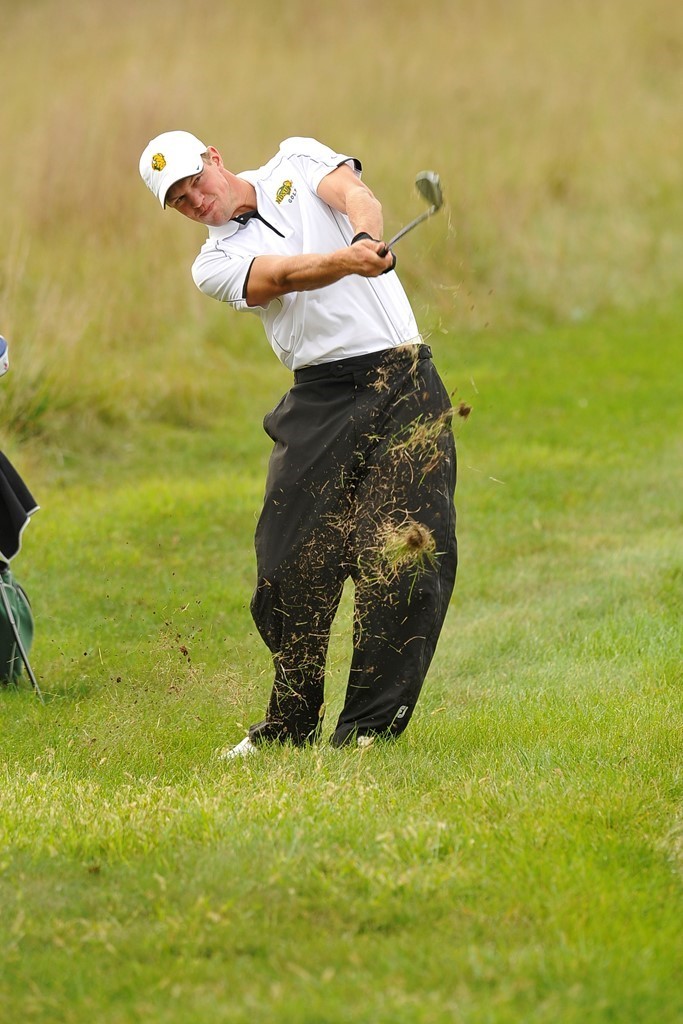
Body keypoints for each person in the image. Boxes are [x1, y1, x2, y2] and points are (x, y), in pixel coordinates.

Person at [139, 132, 457, 757]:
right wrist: (345, 261)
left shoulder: (295, 160)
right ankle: (290, 723)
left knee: (401, 549)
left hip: (402, 380)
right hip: (319, 397)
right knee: (286, 560)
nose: (193, 199)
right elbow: (280, 276)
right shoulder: (212, 265)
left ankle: (367, 731)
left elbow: (354, 193)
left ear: (215, 159)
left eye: (193, 181)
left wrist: (364, 236)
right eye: (177, 200)